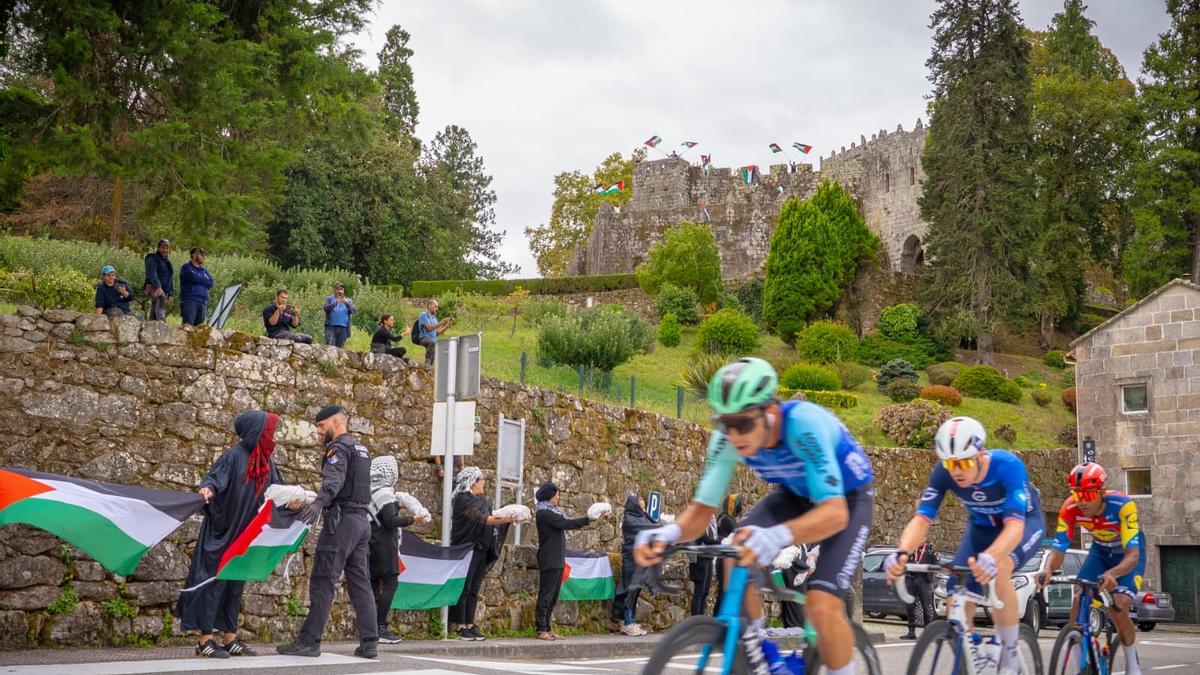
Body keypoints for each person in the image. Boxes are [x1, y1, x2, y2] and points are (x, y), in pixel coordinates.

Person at [634, 357, 875, 675]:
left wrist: (777, 536)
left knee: (821, 604)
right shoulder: (727, 439)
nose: (734, 435)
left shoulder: (805, 426)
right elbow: (701, 510)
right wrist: (668, 533)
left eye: (744, 423)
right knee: (734, 551)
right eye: (725, 423)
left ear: (771, 411)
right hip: (793, 495)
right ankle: (759, 653)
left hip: (845, 499)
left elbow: (834, 514)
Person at [885, 416, 1044, 675]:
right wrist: (901, 552)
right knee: (955, 600)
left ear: (980, 454)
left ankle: (1010, 654)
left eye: (963, 462)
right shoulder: (944, 472)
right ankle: (975, 661)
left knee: (1001, 566)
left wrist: (991, 557)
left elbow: (1014, 527)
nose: (956, 470)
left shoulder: (1007, 466)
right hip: (980, 528)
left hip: (1023, 524)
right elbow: (922, 518)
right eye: (950, 463)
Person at [177, 410, 282, 658]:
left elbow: (277, 491)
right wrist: (207, 489)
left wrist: (295, 500)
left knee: (236, 584)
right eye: (268, 430)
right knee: (214, 583)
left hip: (246, 535)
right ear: (257, 431)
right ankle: (204, 640)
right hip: (224, 532)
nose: (272, 436)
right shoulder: (233, 456)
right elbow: (214, 479)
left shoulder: (266, 461)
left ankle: (230, 637)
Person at [277, 405, 378, 659]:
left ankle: (310, 641)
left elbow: (334, 480)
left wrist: (320, 502)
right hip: (362, 522)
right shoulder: (362, 449)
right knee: (360, 583)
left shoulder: (338, 448)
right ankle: (370, 643)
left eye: (322, 426)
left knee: (323, 579)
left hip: (341, 522)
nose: (319, 432)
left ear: (336, 422)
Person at [1036, 462, 1145, 675]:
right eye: (1077, 494)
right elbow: (1058, 549)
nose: (1081, 501)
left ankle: (1133, 665)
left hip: (1126, 555)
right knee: (1078, 597)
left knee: (1118, 606)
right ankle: (1079, 663)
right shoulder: (1070, 508)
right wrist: (1047, 570)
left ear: (1101, 492)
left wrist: (1113, 574)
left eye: (1087, 494)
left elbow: (1133, 555)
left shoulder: (1123, 505)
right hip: (1100, 552)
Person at [449, 467, 517, 640]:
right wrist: (509, 518)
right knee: (464, 588)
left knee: (473, 589)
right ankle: (459, 625)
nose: (484, 483)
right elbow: (482, 519)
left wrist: (507, 517)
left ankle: (469, 624)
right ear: (473, 482)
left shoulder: (480, 501)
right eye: (481, 480)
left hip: (480, 549)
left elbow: (489, 516)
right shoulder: (462, 500)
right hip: (466, 549)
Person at [368, 455, 427, 645]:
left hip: (372, 542)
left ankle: (370, 626)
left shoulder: (372, 491)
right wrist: (413, 519)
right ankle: (380, 627)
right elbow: (390, 521)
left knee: (373, 586)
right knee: (391, 583)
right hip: (384, 545)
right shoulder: (385, 494)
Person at [533, 482, 597, 641]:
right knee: (546, 594)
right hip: (549, 557)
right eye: (557, 494)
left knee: (553, 596)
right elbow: (566, 524)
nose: (559, 497)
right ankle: (541, 629)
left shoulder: (552, 511)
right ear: (550, 496)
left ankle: (547, 627)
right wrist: (587, 519)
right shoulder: (544, 513)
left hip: (557, 557)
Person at [611, 493, 656, 636]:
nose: (643, 501)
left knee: (636, 591)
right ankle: (627, 622)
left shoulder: (642, 515)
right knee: (630, 591)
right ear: (634, 503)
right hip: (632, 559)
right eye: (640, 500)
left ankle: (630, 620)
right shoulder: (629, 519)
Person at [712, 493, 745, 615]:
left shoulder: (724, 518)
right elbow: (739, 531)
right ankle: (719, 618)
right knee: (723, 592)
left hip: (724, 558)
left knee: (725, 592)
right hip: (724, 559)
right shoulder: (727, 519)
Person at [900, 539, 937, 640]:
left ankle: (927, 633)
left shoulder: (930, 550)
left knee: (926, 607)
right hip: (911, 578)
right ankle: (911, 632)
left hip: (924, 580)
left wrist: (931, 579)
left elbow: (936, 566)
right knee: (910, 606)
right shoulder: (911, 549)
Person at [688, 515, 720, 616]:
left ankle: (700, 617)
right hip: (700, 560)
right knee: (699, 591)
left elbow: (712, 538)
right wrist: (722, 542)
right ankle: (695, 619)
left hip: (708, 559)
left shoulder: (711, 525)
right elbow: (705, 539)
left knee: (705, 592)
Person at [179, 247, 214, 327]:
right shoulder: (186, 268)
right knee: (188, 327)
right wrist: (204, 280)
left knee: (198, 330)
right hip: (190, 301)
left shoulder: (204, 271)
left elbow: (211, 282)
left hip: (203, 303)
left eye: (204, 255)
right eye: (201, 255)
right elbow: (193, 277)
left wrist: (198, 279)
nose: (204, 257)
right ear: (194, 255)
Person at [143, 238, 174, 321]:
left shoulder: (167, 262)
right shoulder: (152, 257)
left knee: (155, 308)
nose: (165, 250)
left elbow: (170, 278)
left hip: (164, 289)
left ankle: (151, 325)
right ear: (158, 248)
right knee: (161, 297)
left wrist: (171, 294)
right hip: (152, 286)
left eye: (167, 248)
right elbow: (151, 273)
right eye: (163, 247)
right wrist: (158, 287)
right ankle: (161, 323)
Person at [416, 299, 453, 367]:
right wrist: (442, 322)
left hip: (433, 340)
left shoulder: (434, 318)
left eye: (437, 307)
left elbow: (437, 333)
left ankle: (429, 367)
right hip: (423, 338)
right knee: (432, 343)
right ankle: (427, 364)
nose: (437, 309)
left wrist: (446, 327)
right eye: (435, 306)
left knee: (434, 348)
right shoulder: (424, 315)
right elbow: (429, 328)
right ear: (430, 306)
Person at [322, 282, 357, 348]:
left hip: (344, 328)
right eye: (338, 289)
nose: (339, 291)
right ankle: (330, 359)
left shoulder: (348, 300)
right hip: (331, 326)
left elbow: (354, 310)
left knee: (340, 349)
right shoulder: (329, 299)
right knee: (330, 347)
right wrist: (335, 303)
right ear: (334, 290)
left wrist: (347, 303)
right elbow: (325, 308)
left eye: (341, 289)